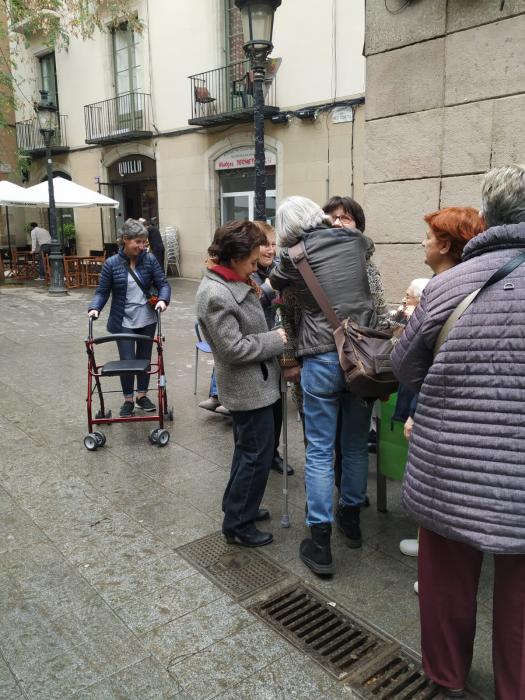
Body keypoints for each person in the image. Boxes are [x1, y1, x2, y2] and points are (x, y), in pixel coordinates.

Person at [390, 175, 525, 698]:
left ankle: (446, 676)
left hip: (449, 464)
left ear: (489, 217)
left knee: (445, 581)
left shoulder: (447, 286)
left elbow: (404, 367)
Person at [271, 196, 376, 575]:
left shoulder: (292, 256)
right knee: (355, 445)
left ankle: (320, 542)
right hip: (361, 357)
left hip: (320, 358)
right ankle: (351, 520)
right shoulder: (358, 241)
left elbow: (273, 285)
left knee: (318, 450)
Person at [196, 220, 286, 548]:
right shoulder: (216, 294)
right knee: (255, 456)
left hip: (257, 382)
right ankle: (238, 525)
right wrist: (275, 339)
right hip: (247, 387)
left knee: (248, 451)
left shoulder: (233, 280)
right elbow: (232, 348)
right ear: (234, 258)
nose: (256, 265)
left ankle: (238, 506)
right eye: (252, 260)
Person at [88, 218, 171, 417]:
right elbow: (102, 291)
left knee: (144, 359)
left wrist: (163, 300)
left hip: (147, 318)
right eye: (138, 242)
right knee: (127, 360)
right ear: (125, 239)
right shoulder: (112, 263)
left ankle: (142, 396)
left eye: (144, 242)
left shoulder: (149, 260)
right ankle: (128, 399)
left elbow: (163, 283)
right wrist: (95, 308)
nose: (142, 246)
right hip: (123, 319)